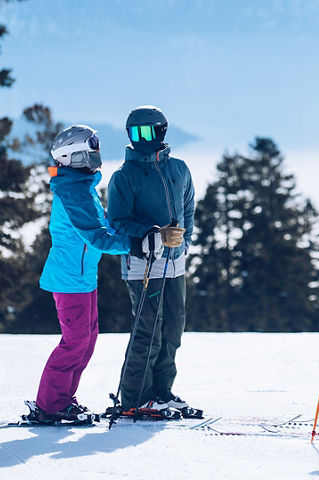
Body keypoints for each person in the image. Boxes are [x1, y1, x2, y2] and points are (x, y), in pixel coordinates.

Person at [33, 125, 134, 422]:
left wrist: (133, 233)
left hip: (83, 278)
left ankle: (62, 399)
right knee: (74, 343)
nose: (97, 157)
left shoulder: (82, 188)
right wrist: (134, 245)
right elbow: (97, 237)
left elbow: (104, 227)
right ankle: (50, 405)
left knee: (87, 341)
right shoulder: (73, 192)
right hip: (69, 280)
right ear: (73, 156)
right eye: (91, 151)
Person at [107, 105, 195, 413]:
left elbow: (188, 209)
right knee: (148, 330)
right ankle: (136, 397)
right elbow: (116, 222)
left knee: (173, 329)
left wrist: (185, 241)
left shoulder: (180, 169)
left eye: (147, 132)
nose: (140, 139)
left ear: (161, 131)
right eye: (134, 133)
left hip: (175, 263)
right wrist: (152, 234)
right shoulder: (124, 176)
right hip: (143, 262)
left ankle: (162, 391)